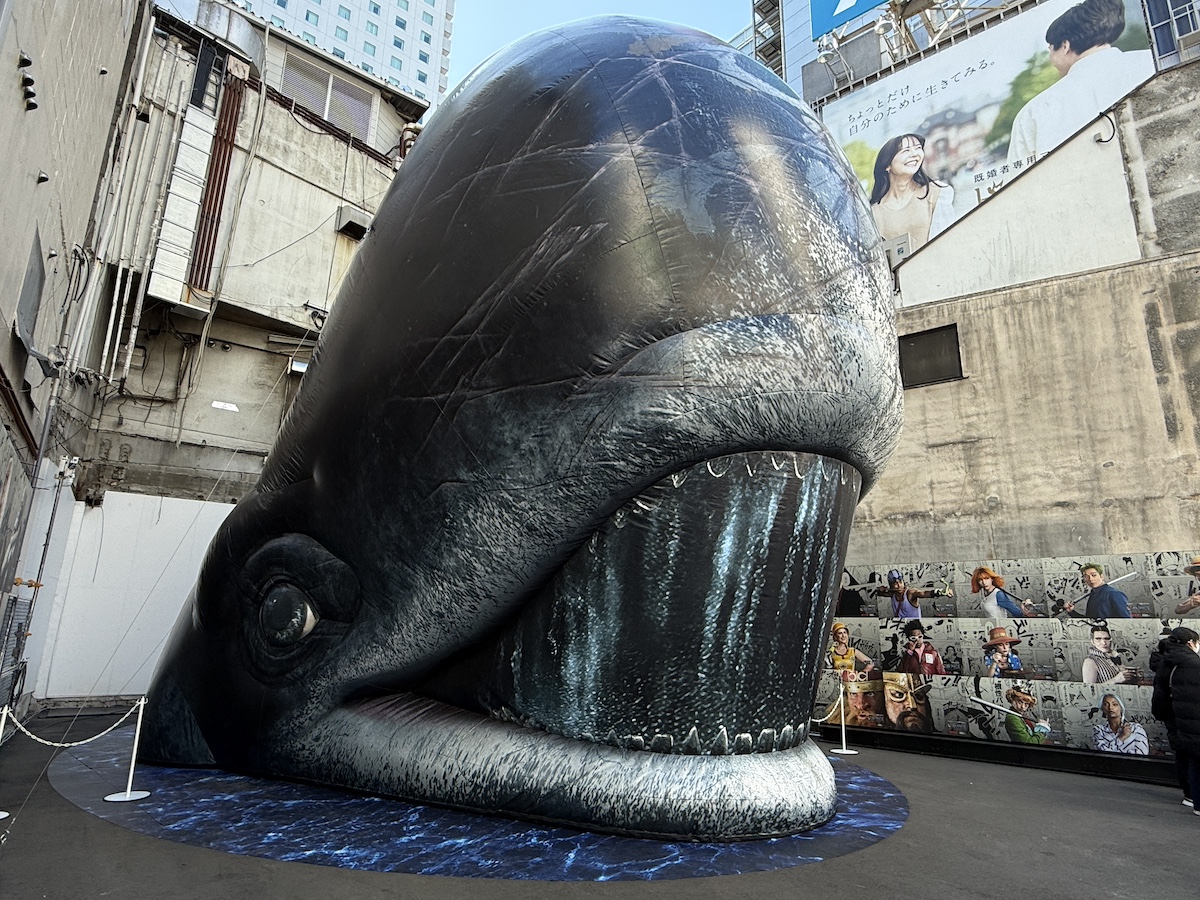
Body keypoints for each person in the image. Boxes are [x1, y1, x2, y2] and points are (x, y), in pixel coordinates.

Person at [1006, 0, 1153, 165]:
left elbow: (1019, 177)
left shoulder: (1034, 112)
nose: (1050, 58)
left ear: (1065, 46)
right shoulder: (1151, 62)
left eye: (1050, 49)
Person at [868, 134, 955, 253]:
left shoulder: (936, 192)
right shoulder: (874, 213)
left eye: (918, 148)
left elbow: (947, 243)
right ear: (887, 165)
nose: (914, 154)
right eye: (906, 150)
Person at [1151, 626, 1200, 813]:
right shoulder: (1195, 664)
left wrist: (1164, 717)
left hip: (1174, 719)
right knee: (1196, 760)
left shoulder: (1165, 662)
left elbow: (1159, 696)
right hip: (1195, 720)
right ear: (1191, 643)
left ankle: (1190, 796)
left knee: (1183, 756)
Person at [875, 569, 952, 618]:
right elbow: (878, 593)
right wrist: (880, 589)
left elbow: (924, 593)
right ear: (891, 585)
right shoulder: (892, 594)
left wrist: (940, 592)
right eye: (895, 583)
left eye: (901, 582)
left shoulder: (910, 593)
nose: (899, 585)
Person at [971, 565, 1039, 618]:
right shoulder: (983, 593)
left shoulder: (998, 594)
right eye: (980, 580)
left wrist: (1025, 611)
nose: (984, 582)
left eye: (986, 578)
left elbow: (1017, 613)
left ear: (992, 578)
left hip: (1000, 628)